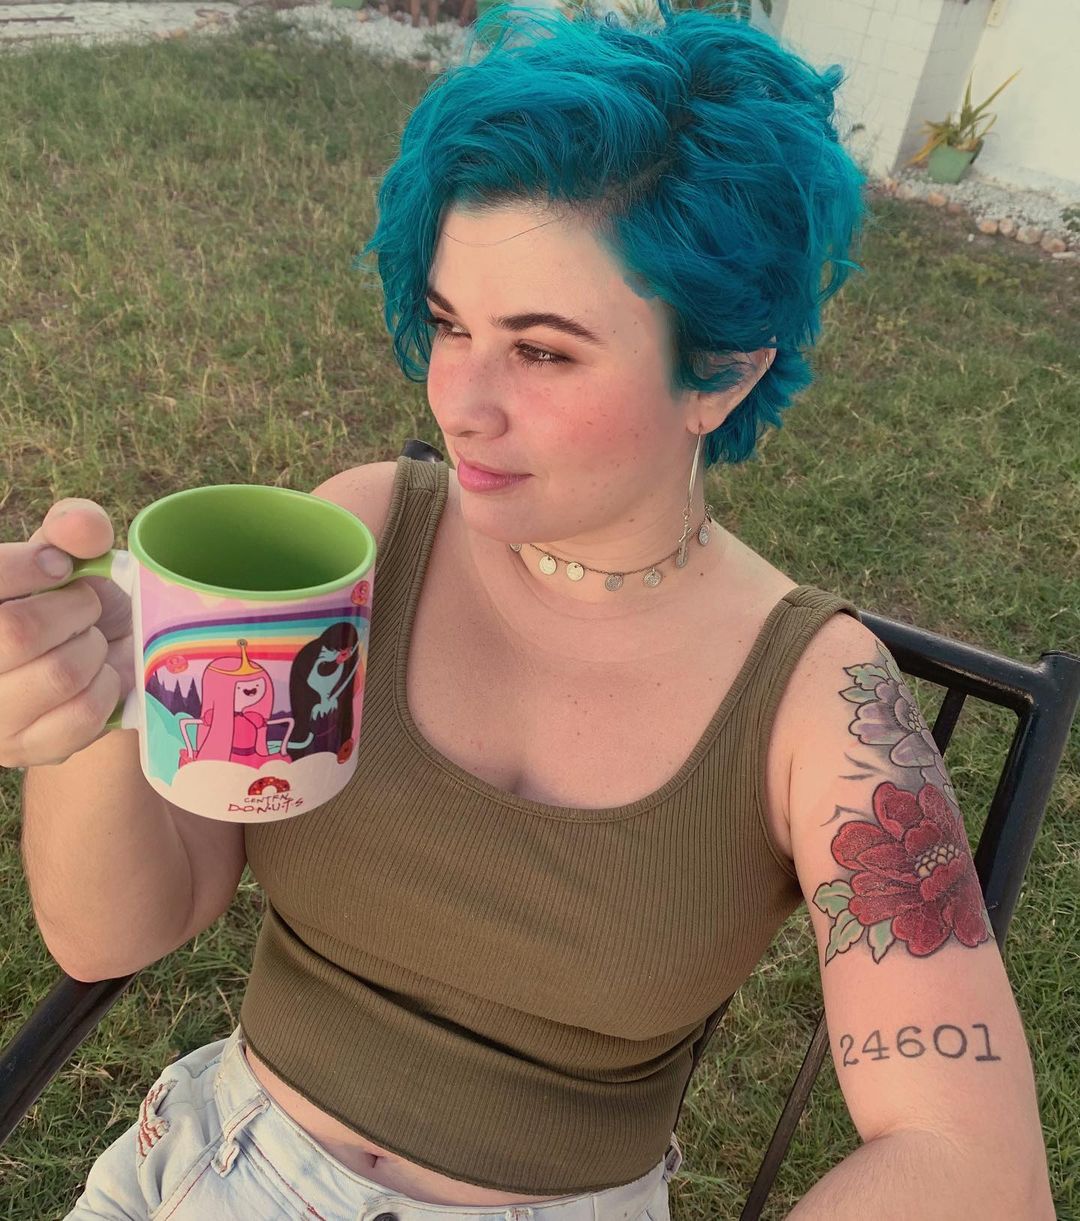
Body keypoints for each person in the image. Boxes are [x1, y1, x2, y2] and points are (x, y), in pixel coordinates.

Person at [4, 3, 1054, 1218]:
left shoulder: (825, 704)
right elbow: (113, 934)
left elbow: (968, 1159)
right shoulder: (359, 548)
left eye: (543, 351)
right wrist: (91, 715)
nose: (459, 401)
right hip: (209, 1171)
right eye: (451, 324)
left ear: (722, 370)